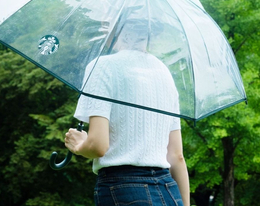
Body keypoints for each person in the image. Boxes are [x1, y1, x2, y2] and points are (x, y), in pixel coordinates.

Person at [65, 18, 190, 206]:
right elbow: (176, 156)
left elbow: (98, 145)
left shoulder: (102, 67)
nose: (102, 23)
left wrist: (80, 145)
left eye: (108, 18)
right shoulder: (164, 73)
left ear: (122, 27)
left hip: (123, 189)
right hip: (169, 191)